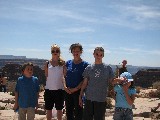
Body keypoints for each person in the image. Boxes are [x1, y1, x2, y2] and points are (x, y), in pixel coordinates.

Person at [79, 47, 114, 120]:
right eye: (97, 54)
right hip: (89, 98)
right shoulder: (89, 68)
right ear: (93, 54)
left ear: (103, 56)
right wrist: (80, 95)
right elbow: (85, 83)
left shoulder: (108, 68)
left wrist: (120, 81)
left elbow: (111, 82)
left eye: (101, 55)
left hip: (101, 99)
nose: (99, 56)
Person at [63, 43, 89, 120]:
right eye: (74, 51)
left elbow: (85, 80)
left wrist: (76, 89)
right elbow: (63, 76)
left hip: (78, 92)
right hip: (68, 91)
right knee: (69, 113)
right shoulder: (68, 63)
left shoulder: (85, 65)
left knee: (78, 113)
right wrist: (65, 87)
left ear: (81, 52)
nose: (75, 53)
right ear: (71, 52)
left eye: (77, 51)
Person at [44, 44, 65, 120]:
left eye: (57, 51)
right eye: (53, 51)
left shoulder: (63, 64)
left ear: (59, 52)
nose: (55, 52)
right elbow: (46, 76)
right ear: (51, 52)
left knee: (59, 109)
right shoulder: (47, 63)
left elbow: (64, 76)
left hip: (59, 90)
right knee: (48, 110)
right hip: (49, 90)